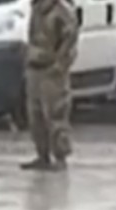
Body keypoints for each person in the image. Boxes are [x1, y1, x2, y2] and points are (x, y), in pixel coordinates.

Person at [21, 0, 79, 171]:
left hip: (51, 71)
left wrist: (60, 65)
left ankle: (60, 157)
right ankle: (42, 155)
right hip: (35, 68)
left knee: (56, 114)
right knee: (35, 115)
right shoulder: (36, 8)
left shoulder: (60, 10)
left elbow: (70, 38)